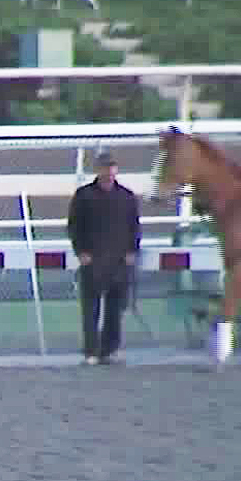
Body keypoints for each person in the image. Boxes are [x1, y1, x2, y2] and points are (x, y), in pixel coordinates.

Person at [65, 150, 143, 366]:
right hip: (93, 260)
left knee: (115, 309)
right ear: (97, 169)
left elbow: (135, 227)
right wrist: (81, 252)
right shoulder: (84, 196)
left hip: (118, 262)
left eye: (112, 167)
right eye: (104, 167)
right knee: (90, 309)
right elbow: (74, 227)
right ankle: (91, 351)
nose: (108, 171)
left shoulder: (127, 196)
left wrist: (131, 251)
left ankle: (110, 350)